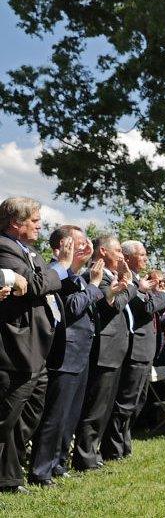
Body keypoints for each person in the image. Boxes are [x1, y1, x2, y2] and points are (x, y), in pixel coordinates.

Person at [0, 197, 70, 493]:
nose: (40, 226)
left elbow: (39, 281)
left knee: (27, 416)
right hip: (18, 348)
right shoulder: (4, 247)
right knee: (7, 416)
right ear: (16, 223)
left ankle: (9, 478)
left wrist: (52, 273)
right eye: (35, 221)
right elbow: (37, 284)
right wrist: (62, 266)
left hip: (40, 348)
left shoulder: (30, 251)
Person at [29, 226, 98, 487]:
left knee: (70, 414)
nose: (86, 247)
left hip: (81, 351)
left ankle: (58, 463)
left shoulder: (77, 277)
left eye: (87, 242)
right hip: (65, 352)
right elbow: (70, 309)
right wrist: (93, 287)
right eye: (79, 243)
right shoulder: (55, 275)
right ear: (60, 247)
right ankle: (40, 470)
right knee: (55, 414)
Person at [102, 241, 165, 461]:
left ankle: (124, 444)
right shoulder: (128, 281)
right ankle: (113, 450)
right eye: (142, 254)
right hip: (133, 349)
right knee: (125, 402)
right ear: (127, 257)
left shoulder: (139, 281)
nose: (146, 258)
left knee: (137, 402)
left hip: (145, 349)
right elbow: (147, 307)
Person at [72, 234, 133, 472]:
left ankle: (93, 452)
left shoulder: (112, 277)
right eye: (117, 250)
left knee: (105, 407)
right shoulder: (94, 276)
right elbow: (114, 305)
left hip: (115, 348)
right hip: (103, 349)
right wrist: (132, 285)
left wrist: (125, 283)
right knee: (95, 407)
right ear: (104, 252)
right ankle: (84, 456)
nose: (121, 255)